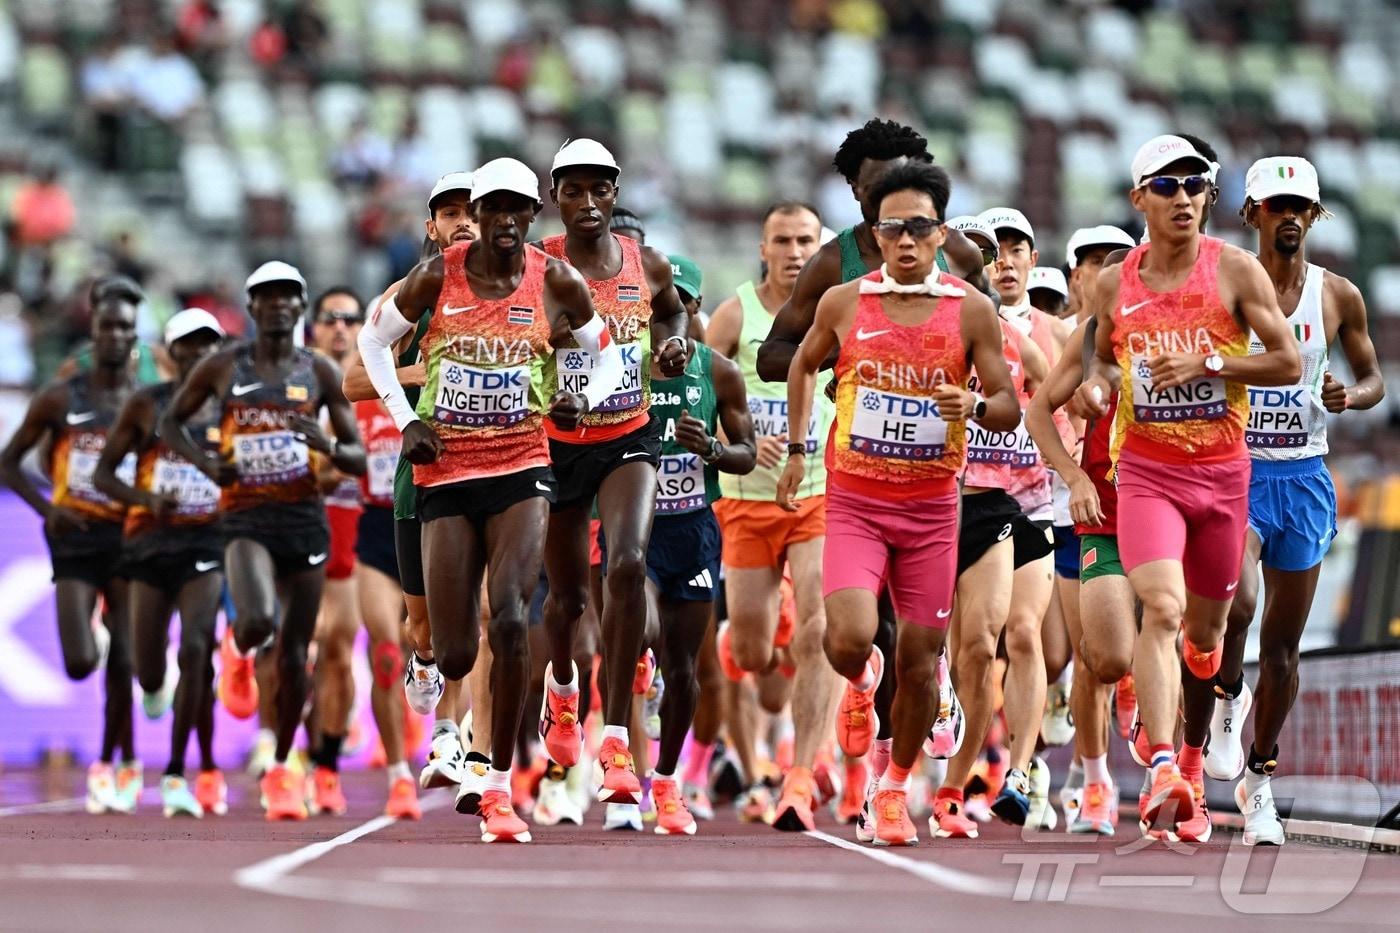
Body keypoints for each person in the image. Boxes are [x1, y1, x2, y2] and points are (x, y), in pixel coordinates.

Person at [357, 157, 617, 843]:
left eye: (515, 209)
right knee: (452, 652)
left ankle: (496, 781)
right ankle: (441, 678)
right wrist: (404, 415)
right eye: (490, 208)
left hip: (523, 465)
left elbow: (608, 351)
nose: (502, 221)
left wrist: (580, 397)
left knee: (505, 615)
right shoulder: (438, 275)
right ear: (477, 211)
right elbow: (370, 341)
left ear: (533, 216)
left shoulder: (553, 277)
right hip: (447, 471)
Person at [778, 161, 1019, 847]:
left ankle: (892, 786)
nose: (907, 241)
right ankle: (861, 675)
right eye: (894, 228)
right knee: (851, 636)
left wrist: (972, 403)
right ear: (875, 235)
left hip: (931, 506)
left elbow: (1005, 403)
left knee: (920, 657)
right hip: (856, 497)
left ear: (941, 232)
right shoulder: (845, 302)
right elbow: (800, 364)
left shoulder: (970, 309)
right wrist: (798, 450)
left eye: (920, 227)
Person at [1073, 135, 1300, 838]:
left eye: (1196, 184)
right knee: (1162, 610)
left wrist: (1208, 363)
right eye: (1166, 185)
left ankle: (1197, 744)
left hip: (1223, 475)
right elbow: (1096, 350)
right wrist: (1093, 380)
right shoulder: (1116, 282)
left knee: (1209, 632)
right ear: (1139, 196)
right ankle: (1166, 765)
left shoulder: (1233, 271)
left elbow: (1287, 361)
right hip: (1145, 471)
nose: (1183, 197)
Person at [1187, 157, 1384, 846]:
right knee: (1236, 606)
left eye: (1301, 205)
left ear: (1317, 214)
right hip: (1233, 469)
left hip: (1302, 476)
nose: (1290, 215)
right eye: (1277, 205)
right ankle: (1224, 697)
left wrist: (1348, 396)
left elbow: (1372, 378)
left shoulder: (1337, 296)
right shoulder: (1223, 286)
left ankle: (1259, 777)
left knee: (1284, 651)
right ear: (1253, 214)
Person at [159, 260, 367, 821]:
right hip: (246, 518)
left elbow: (355, 454)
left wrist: (321, 440)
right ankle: (239, 646)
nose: (277, 306)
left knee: (298, 655)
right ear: (252, 308)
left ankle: (280, 766)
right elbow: (169, 423)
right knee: (258, 623)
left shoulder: (319, 371)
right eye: (266, 298)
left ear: (300, 307)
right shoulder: (224, 366)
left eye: (287, 297)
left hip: (304, 520)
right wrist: (207, 462)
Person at [533, 139, 689, 813]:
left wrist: (672, 343)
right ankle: (563, 686)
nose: (589, 202)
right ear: (556, 197)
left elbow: (673, 310)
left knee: (626, 565)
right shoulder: (535, 267)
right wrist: (547, 392)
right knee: (567, 600)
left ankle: (618, 733)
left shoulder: (644, 263)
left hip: (629, 433)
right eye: (575, 190)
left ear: (616, 192)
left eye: (601, 189)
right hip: (559, 442)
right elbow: (512, 342)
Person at [605, 252, 757, 834]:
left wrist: (714, 451)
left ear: (695, 312)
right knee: (637, 630)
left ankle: (666, 783)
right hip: (632, 528)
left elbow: (744, 450)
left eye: (682, 307)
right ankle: (621, 777)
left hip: (692, 529)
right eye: (653, 309)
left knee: (685, 664)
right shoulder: (623, 367)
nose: (667, 319)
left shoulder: (719, 373)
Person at [342, 173, 481, 799]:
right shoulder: (412, 292)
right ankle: (422, 661)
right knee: (424, 627)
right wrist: (423, 372)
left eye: (474, 212)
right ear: (432, 226)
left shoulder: (524, 285)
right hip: (421, 470)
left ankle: (453, 735)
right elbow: (351, 381)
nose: (465, 223)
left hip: (495, 465)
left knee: (476, 613)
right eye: (450, 214)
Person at [704, 201, 841, 830]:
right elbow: (694, 394)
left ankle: (801, 773)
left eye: (804, 241)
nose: (793, 252)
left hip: (817, 496)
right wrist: (736, 436)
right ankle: (759, 626)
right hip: (748, 502)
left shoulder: (837, 312)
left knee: (819, 630)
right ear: (763, 248)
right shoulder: (736, 313)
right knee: (759, 659)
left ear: (821, 247)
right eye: (782, 241)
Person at [0, 287, 143, 814]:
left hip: (130, 540)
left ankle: (115, 761)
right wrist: (48, 511)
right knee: (82, 661)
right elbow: (8, 463)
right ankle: (106, 663)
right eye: (107, 327)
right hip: (75, 539)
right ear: (94, 334)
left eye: (126, 329)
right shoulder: (62, 397)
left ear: (135, 339)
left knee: (123, 654)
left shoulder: (148, 401)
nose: (116, 337)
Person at [93, 308, 228, 818]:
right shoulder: (146, 406)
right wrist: (146, 501)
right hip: (148, 548)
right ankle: (157, 689)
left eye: (207, 345)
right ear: (171, 354)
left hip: (206, 546)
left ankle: (176, 773)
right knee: (146, 669)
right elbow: (105, 475)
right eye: (188, 345)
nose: (198, 354)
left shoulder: (230, 407)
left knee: (197, 648)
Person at [305, 286, 370, 815]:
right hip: (297, 521)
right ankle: (277, 749)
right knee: (289, 649)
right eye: (331, 318)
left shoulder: (375, 382)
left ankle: (325, 765)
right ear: (314, 328)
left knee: (338, 648)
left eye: (351, 318)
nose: (341, 327)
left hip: (352, 523)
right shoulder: (294, 382)